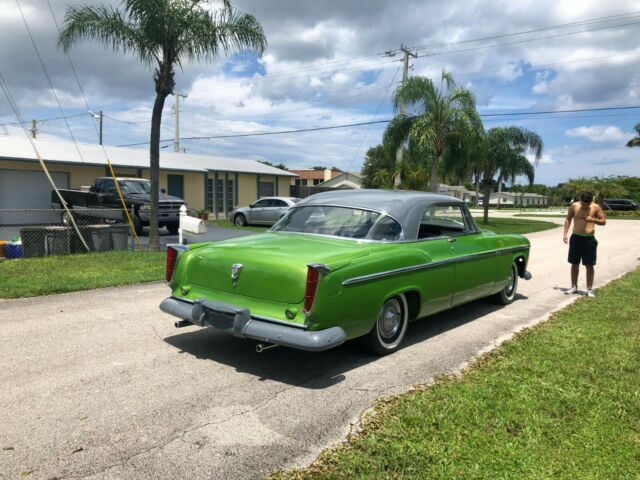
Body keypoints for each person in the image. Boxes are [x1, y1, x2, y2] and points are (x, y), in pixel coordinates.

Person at [563, 191, 606, 298]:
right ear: (580, 199)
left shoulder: (596, 207)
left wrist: (593, 220)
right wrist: (565, 234)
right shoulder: (574, 206)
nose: (586, 205)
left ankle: (589, 289)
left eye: (588, 203)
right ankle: (574, 286)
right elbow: (568, 219)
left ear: (591, 200)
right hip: (576, 238)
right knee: (574, 263)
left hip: (589, 240)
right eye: (584, 203)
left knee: (589, 265)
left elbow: (604, 221)